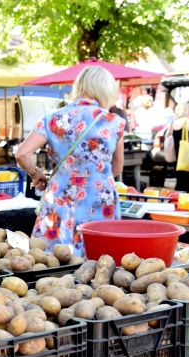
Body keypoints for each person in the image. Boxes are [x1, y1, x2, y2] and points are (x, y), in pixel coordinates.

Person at [14, 66, 125, 256]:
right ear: (105, 91)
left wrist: (36, 174)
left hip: (60, 198)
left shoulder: (53, 119)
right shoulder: (114, 122)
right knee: (101, 261)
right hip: (101, 200)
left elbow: (22, 154)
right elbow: (117, 167)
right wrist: (95, 178)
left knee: (52, 260)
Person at [165, 102, 189, 194]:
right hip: (188, 155)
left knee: (180, 180)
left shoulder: (173, 122)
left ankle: (178, 200)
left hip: (177, 155)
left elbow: (167, 135)